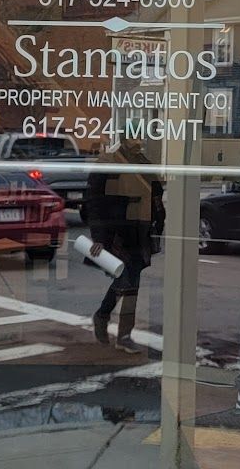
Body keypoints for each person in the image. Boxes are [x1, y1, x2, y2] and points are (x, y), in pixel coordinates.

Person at [84, 139, 161, 353]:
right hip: (116, 231)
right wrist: (99, 237)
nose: (138, 141)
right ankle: (108, 321)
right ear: (124, 138)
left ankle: (119, 329)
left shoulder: (143, 163)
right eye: (133, 136)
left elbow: (155, 195)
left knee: (131, 281)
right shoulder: (108, 162)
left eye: (140, 136)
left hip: (139, 229)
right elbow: (94, 202)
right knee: (126, 279)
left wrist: (157, 225)